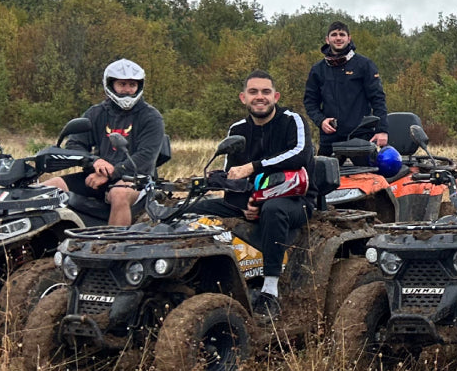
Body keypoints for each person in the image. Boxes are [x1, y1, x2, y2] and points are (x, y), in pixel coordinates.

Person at [189, 70, 315, 322]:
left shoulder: (292, 121)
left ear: (276, 96)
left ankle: (270, 290)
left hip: (295, 200)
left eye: (266, 92)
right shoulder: (237, 129)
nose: (260, 97)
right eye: (254, 92)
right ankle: (192, 277)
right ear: (243, 98)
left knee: (273, 210)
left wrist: (254, 166)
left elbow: (300, 154)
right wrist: (245, 203)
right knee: (195, 209)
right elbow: (230, 176)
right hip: (250, 199)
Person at [45, 58, 165, 226]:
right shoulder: (96, 113)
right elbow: (74, 145)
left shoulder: (151, 117)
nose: (128, 90)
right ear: (110, 85)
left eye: (132, 85)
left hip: (137, 178)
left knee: (119, 194)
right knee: (49, 188)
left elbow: (146, 157)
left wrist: (112, 173)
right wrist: (95, 161)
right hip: (96, 174)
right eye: (122, 84)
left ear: (139, 86)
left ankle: (113, 246)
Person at [303, 20, 388, 157]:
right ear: (327, 39)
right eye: (334, 34)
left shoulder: (364, 65)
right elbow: (310, 101)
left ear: (349, 38)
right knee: (320, 176)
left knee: (372, 177)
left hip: (361, 136)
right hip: (330, 137)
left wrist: (382, 130)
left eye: (342, 34)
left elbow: (378, 99)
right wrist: (320, 120)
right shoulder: (318, 70)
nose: (338, 38)